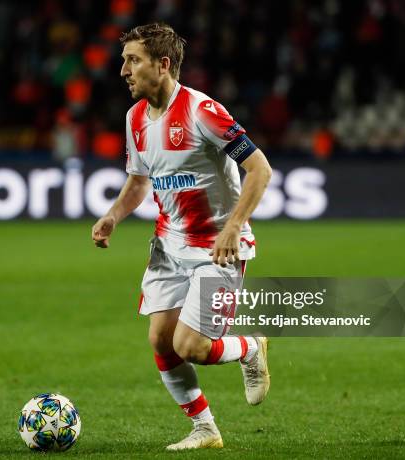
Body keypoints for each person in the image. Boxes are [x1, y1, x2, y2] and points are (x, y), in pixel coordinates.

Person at [91, 23, 272, 451]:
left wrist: (232, 227)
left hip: (218, 249)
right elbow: (138, 182)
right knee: (160, 340)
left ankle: (249, 348)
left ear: (163, 64)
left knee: (190, 345)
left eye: (133, 60)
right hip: (168, 245)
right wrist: (113, 217)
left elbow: (259, 169)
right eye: (124, 60)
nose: (123, 71)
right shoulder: (135, 118)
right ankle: (205, 430)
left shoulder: (201, 111)